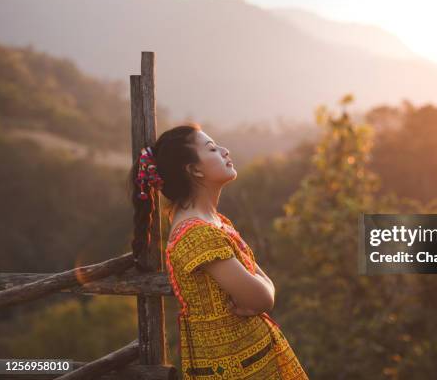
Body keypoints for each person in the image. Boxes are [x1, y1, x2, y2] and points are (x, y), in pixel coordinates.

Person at [128, 122, 309, 379]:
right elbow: (261, 299)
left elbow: (257, 291)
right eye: (212, 149)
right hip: (232, 365)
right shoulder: (198, 234)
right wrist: (266, 286)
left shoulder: (215, 222)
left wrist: (262, 287)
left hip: (251, 356)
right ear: (194, 170)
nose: (225, 151)